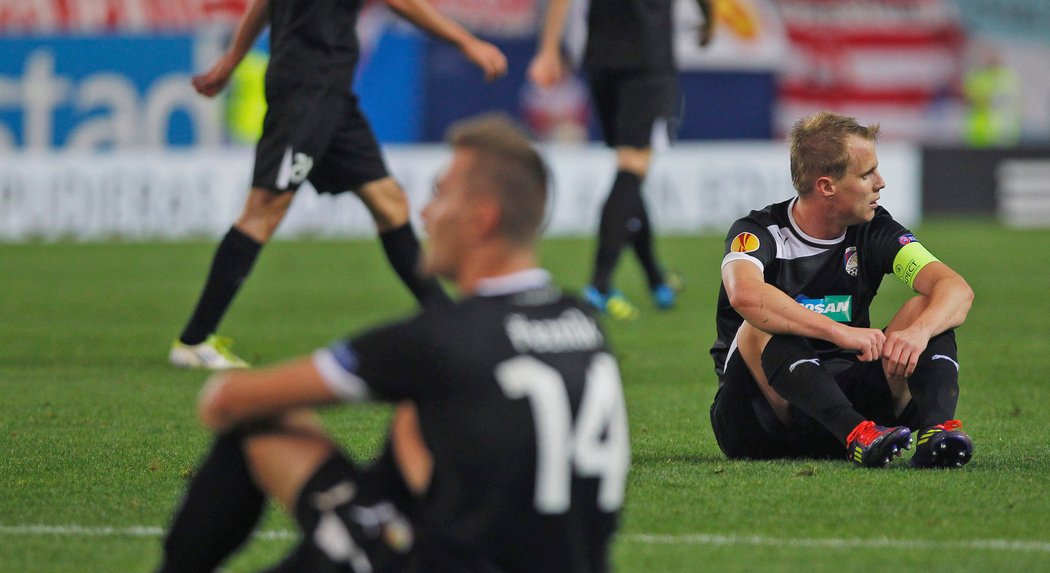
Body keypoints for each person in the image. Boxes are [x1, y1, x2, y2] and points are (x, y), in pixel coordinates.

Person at [57, 114, 631, 573]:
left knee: (260, 425)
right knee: (418, 425)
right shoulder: (582, 323)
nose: (424, 214)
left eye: (439, 194)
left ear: (481, 218)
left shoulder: (437, 339)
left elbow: (224, 400)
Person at [169, 0, 508, 369]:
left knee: (388, 201)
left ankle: (446, 318)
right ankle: (195, 340)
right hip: (307, 90)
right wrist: (466, 42)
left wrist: (231, 60)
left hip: (329, 93)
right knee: (264, 210)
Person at [709, 111, 975, 468]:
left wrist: (919, 332)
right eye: (867, 174)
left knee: (928, 308)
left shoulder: (875, 230)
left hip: (849, 398)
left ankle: (936, 433)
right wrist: (840, 332)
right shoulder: (758, 232)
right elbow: (744, 294)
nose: (880, 182)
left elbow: (955, 288)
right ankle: (855, 434)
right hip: (762, 419)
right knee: (759, 324)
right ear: (826, 186)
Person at [527, 0, 714, 319]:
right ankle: (598, 285)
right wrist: (710, 21)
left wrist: (548, 49)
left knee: (630, 171)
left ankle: (656, 279)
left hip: (602, 57)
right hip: (648, 59)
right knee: (631, 171)